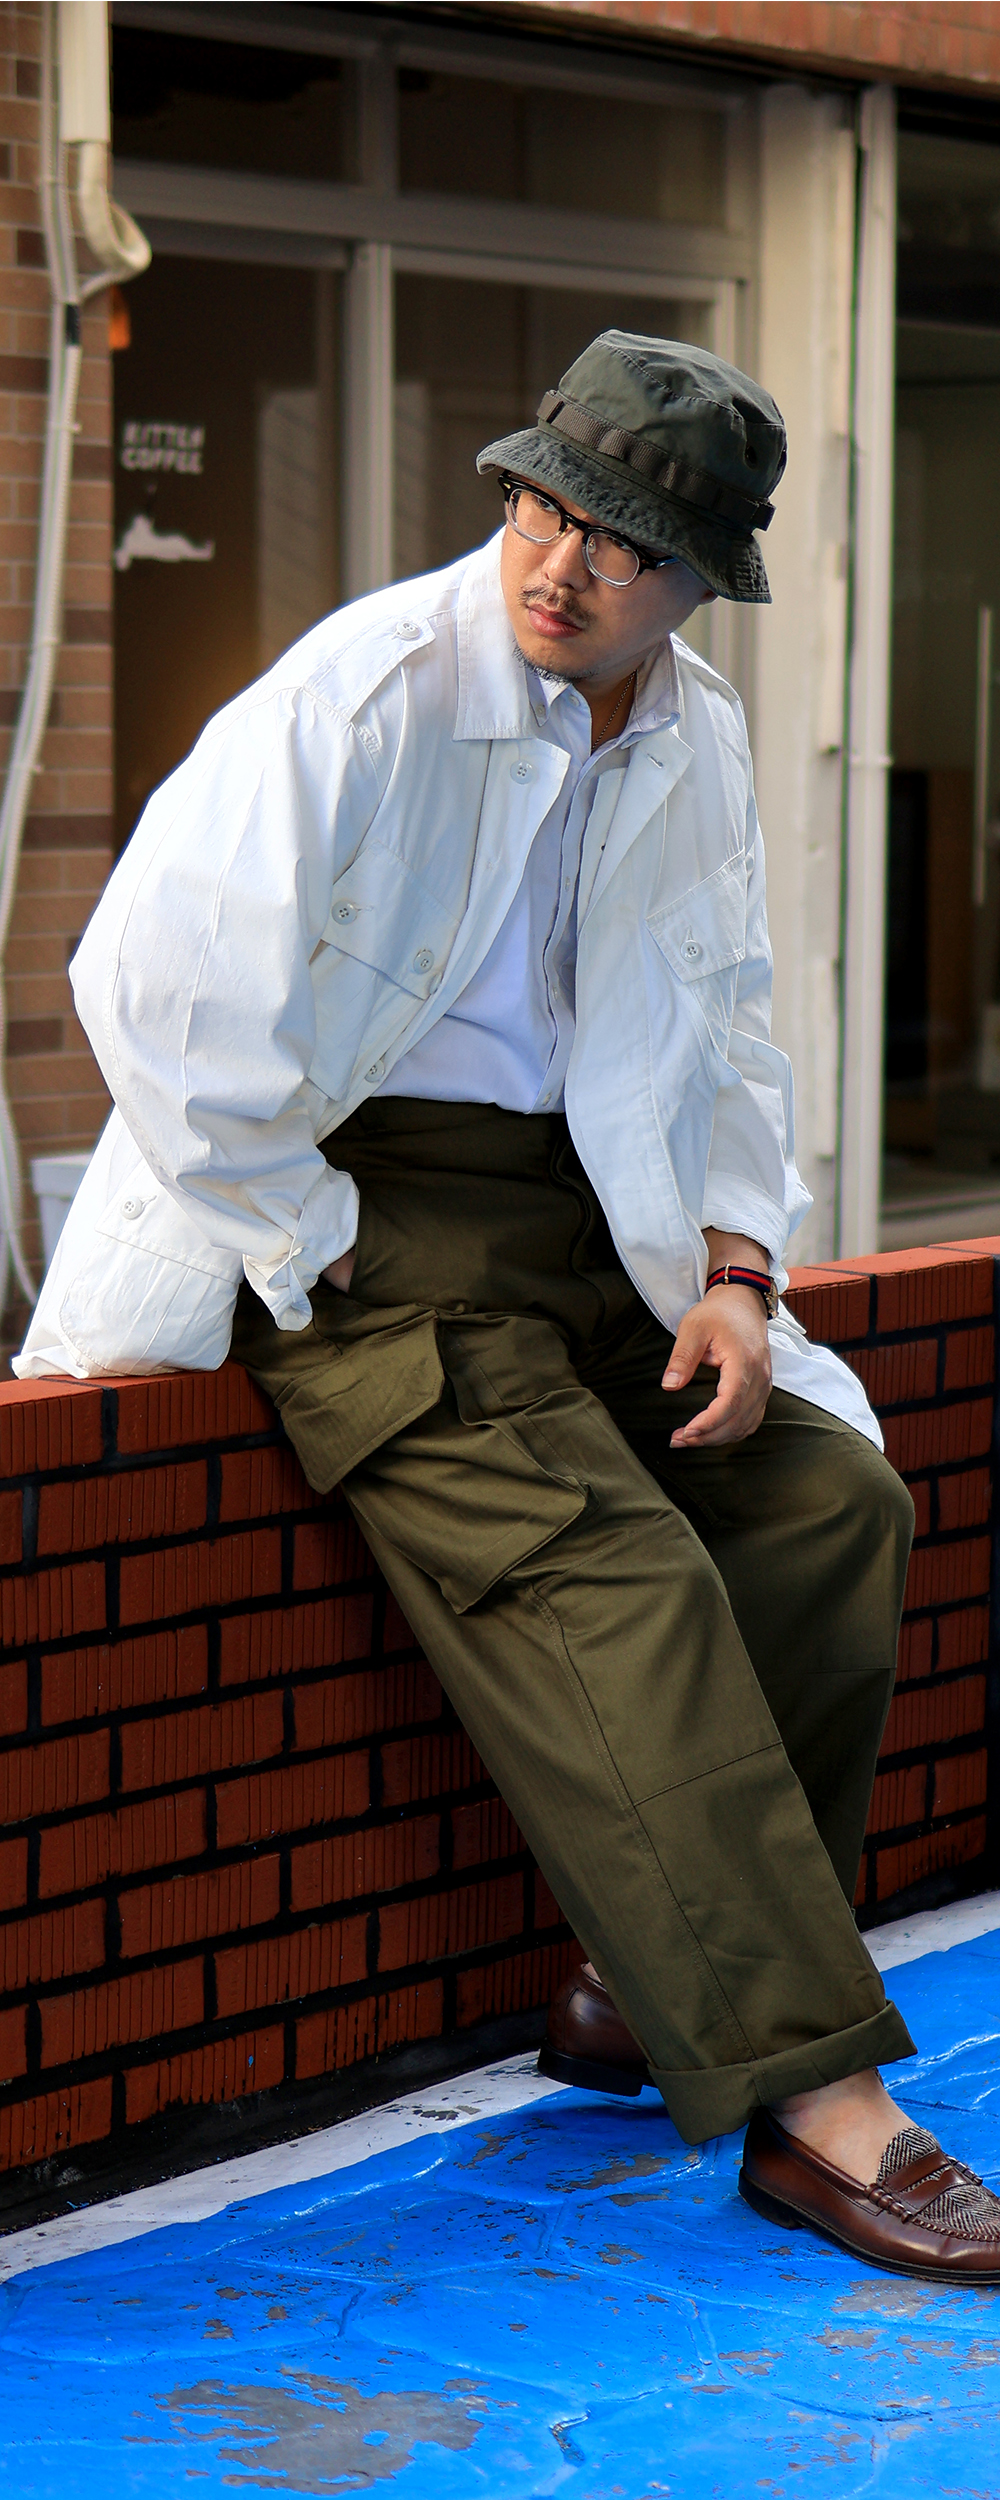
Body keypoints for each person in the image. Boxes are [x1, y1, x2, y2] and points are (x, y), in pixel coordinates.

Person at [18, 331, 1000, 2283]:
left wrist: (738, 1272)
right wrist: (312, 1236)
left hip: (591, 1226)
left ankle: (644, 1985)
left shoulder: (692, 730)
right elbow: (145, 986)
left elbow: (725, 1017)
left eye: (619, 544)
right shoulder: (367, 691)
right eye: (544, 509)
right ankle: (815, 2103)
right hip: (351, 1216)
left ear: (697, 578)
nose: (560, 565)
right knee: (611, 1575)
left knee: (828, 1506)